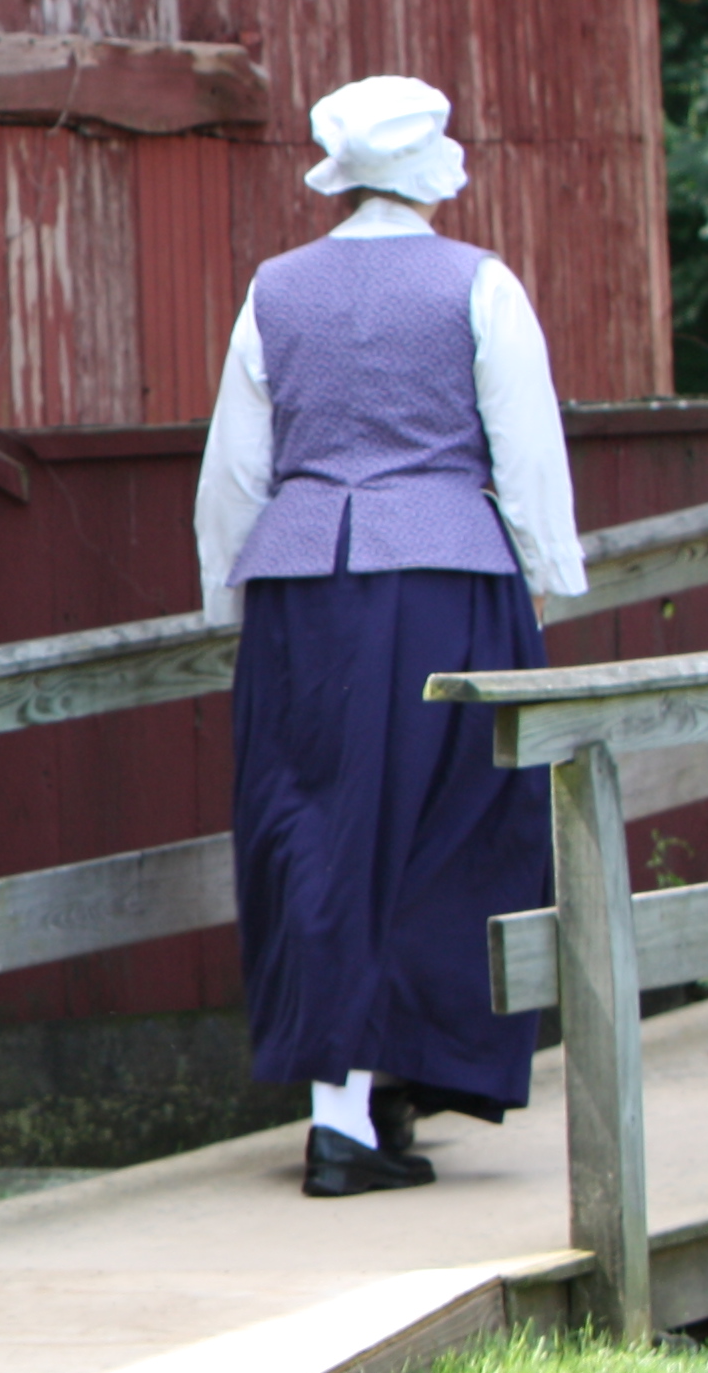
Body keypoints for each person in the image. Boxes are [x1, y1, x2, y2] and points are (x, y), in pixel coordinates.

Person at [192, 76, 585, 1197]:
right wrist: (546, 581)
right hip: (449, 593)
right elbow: (527, 454)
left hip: (304, 604)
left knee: (315, 831)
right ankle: (388, 1094)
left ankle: (346, 1111)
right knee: (449, 833)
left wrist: (232, 603)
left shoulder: (274, 292)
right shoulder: (480, 287)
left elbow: (234, 476)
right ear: (428, 168)